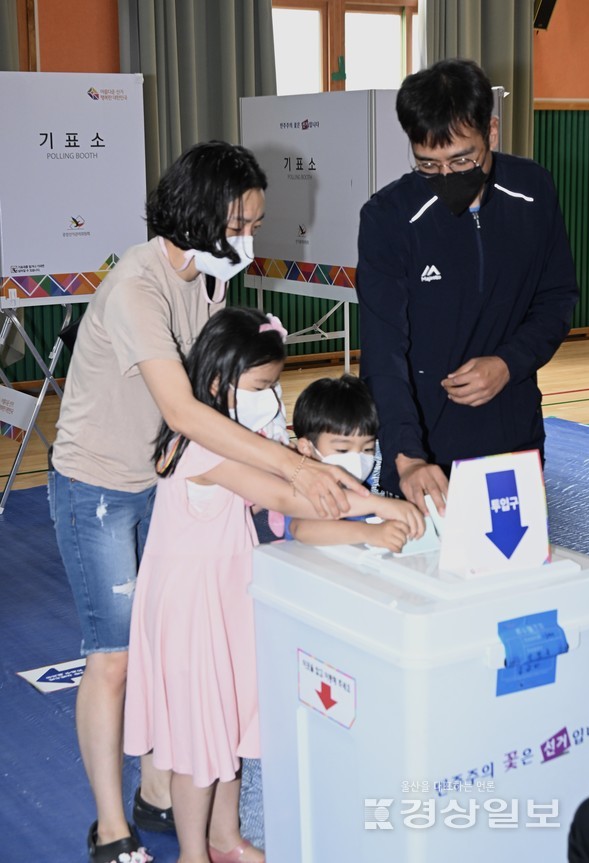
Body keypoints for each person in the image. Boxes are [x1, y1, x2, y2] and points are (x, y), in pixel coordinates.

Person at [48, 141, 367, 863]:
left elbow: (219, 386)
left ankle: (160, 793)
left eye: (256, 223)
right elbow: (187, 414)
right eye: (244, 225)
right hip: (100, 483)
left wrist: (282, 435)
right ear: (202, 218)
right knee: (115, 656)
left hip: (164, 481)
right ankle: (111, 829)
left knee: (168, 648)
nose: (252, 240)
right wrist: (286, 461)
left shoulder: (208, 279)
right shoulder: (138, 287)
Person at [123, 307, 420, 863]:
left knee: (229, 723)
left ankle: (225, 837)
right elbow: (290, 497)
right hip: (192, 605)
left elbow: (288, 480)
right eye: (261, 386)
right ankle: (193, 852)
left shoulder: (234, 432)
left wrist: (368, 503)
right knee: (198, 742)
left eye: (273, 385)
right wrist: (378, 503)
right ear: (217, 381)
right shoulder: (200, 445)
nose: (271, 397)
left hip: (227, 590)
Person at [356, 58, 579, 518]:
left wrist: (508, 363)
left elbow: (556, 299)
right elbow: (382, 349)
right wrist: (405, 456)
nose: (447, 176)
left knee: (516, 578)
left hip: (512, 437)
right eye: (428, 165)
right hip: (425, 450)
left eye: (461, 158)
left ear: (491, 133)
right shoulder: (388, 218)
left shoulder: (533, 191)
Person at [288, 374, 424, 548]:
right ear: (306, 448)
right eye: (343, 450)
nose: (358, 459)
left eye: (367, 449)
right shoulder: (303, 484)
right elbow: (300, 528)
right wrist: (367, 533)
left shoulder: (370, 481)